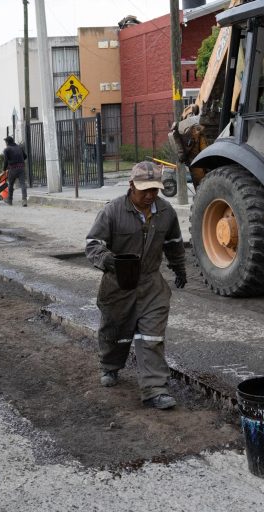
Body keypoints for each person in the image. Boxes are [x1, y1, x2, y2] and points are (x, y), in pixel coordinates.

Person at [85, 161, 187, 410]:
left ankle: (154, 390)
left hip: (152, 284)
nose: (150, 195)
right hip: (118, 284)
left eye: (155, 189)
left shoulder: (165, 212)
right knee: (115, 334)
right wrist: (110, 260)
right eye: (145, 190)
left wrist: (179, 267)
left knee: (151, 336)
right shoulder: (113, 212)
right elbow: (93, 244)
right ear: (131, 186)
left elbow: (174, 242)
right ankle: (110, 366)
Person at [2, 136, 27, 207]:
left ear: (7, 142)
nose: (5, 143)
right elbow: (25, 156)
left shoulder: (7, 149)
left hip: (12, 169)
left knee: (10, 184)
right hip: (21, 168)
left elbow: (6, 161)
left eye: (5, 142)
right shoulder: (19, 147)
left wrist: (4, 169)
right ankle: (24, 200)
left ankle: (10, 200)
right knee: (23, 184)